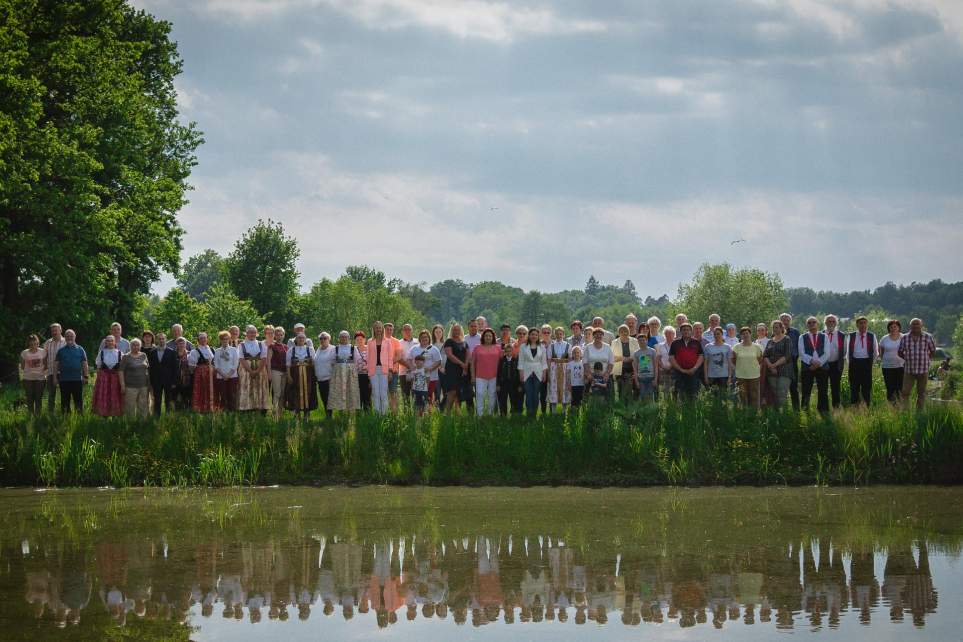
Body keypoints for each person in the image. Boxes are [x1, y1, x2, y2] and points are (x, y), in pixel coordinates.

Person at [898, 318, 936, 410]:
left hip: (923, 370)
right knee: (905, 392)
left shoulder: (928, 337)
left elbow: (933, 351)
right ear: (910, 326)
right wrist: (907, 359)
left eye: (917, 324)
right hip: (909, 370)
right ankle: (905, 412)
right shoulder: (905, 337)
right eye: (913, 324)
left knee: (921, 393)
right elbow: (900, 352)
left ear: (921, 325)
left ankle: (919, 413)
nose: (915, 326)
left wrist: (926, 359)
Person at [798, 317, 830, 413]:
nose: (811, 324)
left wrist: (818, 363)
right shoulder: (802, 337)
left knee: (823, 389)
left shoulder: (824, 336)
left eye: (813, 322)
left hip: (822, 366)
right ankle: (805, 410)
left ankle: (823, 410)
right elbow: (801, 353)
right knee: (806, 389)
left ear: (817, 324)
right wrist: (811, 361)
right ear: (807, 325)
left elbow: (827, 352)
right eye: (809, 322)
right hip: (808, 367)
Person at [54, 329, 88, 413]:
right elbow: (56, 365)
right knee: (65, 401)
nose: (69, 338)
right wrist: (55, 378)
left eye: (71, 336)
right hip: (64, 379)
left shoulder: (80, 349)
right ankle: (65, 418)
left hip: (77, 379)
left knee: (78, 401)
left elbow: (84, 364)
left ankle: (79, 417)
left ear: (75, 337)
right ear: (65, 338)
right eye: (67, 336)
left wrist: (85, 376)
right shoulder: (61, 351)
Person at [238, 325, 270, 413]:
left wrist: (257, 371)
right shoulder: (241, 345)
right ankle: (246, 407)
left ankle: (261, 407)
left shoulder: (261, 344)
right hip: (246, 369)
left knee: (260, 386)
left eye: (254, 332)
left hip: (260, 368)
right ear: (246, 333)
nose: (252, 334)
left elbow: (264, 358)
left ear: (256, 333)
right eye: (250, 332)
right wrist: (250, 371)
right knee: (246, 386)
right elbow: (241, 359)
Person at [407, 330, 442, 410]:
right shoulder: (414, 348)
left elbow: (439, 361)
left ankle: (428, 413)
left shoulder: (434, 349)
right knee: (417, 397)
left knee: (428, 396)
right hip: (417, 378)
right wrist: (412, 367)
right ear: (419, 338)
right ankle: (418, 414)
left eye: (426, 337)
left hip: (431, 377)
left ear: (429, 338)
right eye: (422, 337)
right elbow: (408, 359)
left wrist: (430, 368)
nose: (424, 338)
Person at [328, 331, 362, 413]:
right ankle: (341, 411)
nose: (344, 338)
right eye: (342, 337)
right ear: (339, 338)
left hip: (351, 373)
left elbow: (358, 360)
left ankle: (351, 412)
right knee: (339, 391)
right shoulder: (335, 348)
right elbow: (332, 360)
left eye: (345, 337)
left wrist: (353, 370)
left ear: (348, 338)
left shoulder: (353, 348)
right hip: (338, 373)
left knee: (351, 391)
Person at [847, 316, 878, 406]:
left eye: (864, 323)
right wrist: (850, 363)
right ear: (857, 325)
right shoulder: (851, 335)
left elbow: (875, 351)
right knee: (854, 387)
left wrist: (871, 363)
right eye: (861, 323)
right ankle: (854, 406)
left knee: (867, 387)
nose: (863, 325)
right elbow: (848, 352)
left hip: (866, 363)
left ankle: (866, 407)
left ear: (867, 324)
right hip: (854, 363)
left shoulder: (871, 335)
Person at [669, 323, 704, 400]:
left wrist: (694, 368)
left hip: (693, 372)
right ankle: (679, 407)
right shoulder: (675, 343)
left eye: (688, 330)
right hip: (679, 372)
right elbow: (671, 358)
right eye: (684, 330)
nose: (686, 331)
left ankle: (692, 407)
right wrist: (681, 370)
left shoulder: (696, 342)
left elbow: (701, 357)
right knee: (679, 393)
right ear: (681, 331)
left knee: (693, 393)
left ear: (691, 331)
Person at [470, 328, 501, 416]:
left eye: (490, 336)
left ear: (493, 337)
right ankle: (479, 415)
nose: (488, 337)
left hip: (494, 376)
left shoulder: (498, 348)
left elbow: (502, 362)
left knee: (492, 395)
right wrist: (472, 376)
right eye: (486, 336)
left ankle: (490, 414)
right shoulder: (477, 348)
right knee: (479, 394)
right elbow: (472, 363)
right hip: (480, 376)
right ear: (483, 337)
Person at [366, 322, 395, 414]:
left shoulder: (387, 341)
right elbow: (368, 358)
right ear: (373, 329)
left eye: (379, 328)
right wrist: (368, 373)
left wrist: (390, 370)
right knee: (375, 392)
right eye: (376, 328)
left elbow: (390, 357)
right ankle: (377, 414)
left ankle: (384, 414)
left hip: (384, 370)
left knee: (383, 393)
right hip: (373, 370)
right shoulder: (370, 341)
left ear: (382, 329)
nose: (378, 329)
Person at [763, 319, 793, 407]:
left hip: (784, 370)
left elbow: (787, 356)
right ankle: (776, 413)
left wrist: (774, 365)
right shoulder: (770, 341)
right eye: (773, 327)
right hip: (771, 372)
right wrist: (770, 366)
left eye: (776, 327)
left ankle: (783, 413)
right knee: (774, 393)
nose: (774, 329)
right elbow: (765, 356)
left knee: (781, 393)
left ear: (781, 328)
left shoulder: (787, 339)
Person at [518, 327, 547, 416]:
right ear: (529, 335)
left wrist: (544, 374)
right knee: (528, 393)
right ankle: (529, 413)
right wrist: (521, 373)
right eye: (532, 334)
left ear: (538, 336)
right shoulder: (523, 346)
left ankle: (534, 413)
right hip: (526, 372)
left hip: (538, 373)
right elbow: (521, 361)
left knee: (536, 394)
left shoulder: (542, 347)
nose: (534, 336)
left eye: (536, 335)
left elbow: (544, 362)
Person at [286, 333, 317, 416]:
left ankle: (307, 412)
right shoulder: (291, 350)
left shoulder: (310, 349)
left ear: (305, 340)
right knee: (295, 392)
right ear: (296, 340)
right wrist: (289, 376)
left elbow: (314, 363)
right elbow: (288, 365)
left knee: (308, 391)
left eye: (303, 338)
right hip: (295, 375)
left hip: (308, 375)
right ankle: (297, 413)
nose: (301, 339)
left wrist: (315, 375)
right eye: (299, 338)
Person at [92, 334, 124, 417]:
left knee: (115, 396)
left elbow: (122, 368)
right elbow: (98, 367)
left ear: (115, 342)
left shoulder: (120, 353)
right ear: (105, 342)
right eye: (108, 341)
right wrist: (98, 381)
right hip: (104, 379)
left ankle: (115, 415)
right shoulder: (102, 352)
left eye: (112, 341)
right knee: (104, 396)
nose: (110, 342)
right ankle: (104, 415)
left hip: (115, 379)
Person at [119, 338, 151, 418]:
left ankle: (142, 422)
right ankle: (131, 423)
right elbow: (120, 371)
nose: (136, 347)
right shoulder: (126, 357)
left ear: (140, 346)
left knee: (143, 405)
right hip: (130, 386)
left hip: (144, 385)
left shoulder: (144, 355)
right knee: (130, 406)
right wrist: (122, 385)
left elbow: (147, 369)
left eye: (138, 345)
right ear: (130, 346)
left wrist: (149, 383)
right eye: (134, 345)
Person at [732, 327, 763, 409]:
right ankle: (744, 414)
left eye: (747, 333)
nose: (745, 335)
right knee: (742, 396)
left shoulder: (757, 347)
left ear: (750, 334)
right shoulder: (736, 347)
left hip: (754, 375)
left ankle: (754, 414)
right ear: (741, 336)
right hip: (741, 375)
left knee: (754, 396)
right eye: (743, 334)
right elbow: (734, 360)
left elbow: (760, 360)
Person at [147, 332, 176, 416]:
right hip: (156, 380)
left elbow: (175, 368)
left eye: (163, 339)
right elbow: (150, 368)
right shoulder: (152, 352)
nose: (161, 340)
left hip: (168, 380)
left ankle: (168, 415)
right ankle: (157, 416)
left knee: (168, 399)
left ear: (166, 340)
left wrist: (174, 381)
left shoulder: (172, 352)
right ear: (156, 340)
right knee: (157, 399)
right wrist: (151, 381)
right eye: (159, 339)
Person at [442, 324, 470, 412]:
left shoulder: (464, 342)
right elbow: (450, 355)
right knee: (452, 391)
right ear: (451, 331)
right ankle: (447, 413)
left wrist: (465, 367)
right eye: (454, 330)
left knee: (458, 392)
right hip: (452, 370)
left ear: (461, 331)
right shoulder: (449, 341)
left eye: (458, 330)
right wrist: (462, 364)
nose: (456, 331)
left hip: (462, 370)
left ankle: (458, 414)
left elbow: (468, 355)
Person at [497, 326, 523, 415]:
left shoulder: (515, 361)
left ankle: (513, 414)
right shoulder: (501, 361)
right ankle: (503, 414)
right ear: (504, 352)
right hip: (503, 383)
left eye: (510, 351)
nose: (509, 353)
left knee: (513, 399)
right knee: (503, 399)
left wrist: (520, 384)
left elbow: (518, 373)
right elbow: (498, 373)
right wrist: (498, 384)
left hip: (513, 383)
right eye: (507, 351)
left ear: (513, 351)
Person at [583, 327, 615, 401]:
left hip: (605, 377)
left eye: (600, 334)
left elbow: (611, 362)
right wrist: (589, 374)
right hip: (591, 377)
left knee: (606, 399)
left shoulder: (607, 347)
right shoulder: (588, 347)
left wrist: (607, 374)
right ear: (593, 336)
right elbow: (585, 362)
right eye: (596, 334)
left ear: (603, 336)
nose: (598, 336)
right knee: (591, 399)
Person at [610, 324, 640, 404]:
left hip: (633, 369)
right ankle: (622, 406)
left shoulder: (635, 341)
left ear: (629, 332)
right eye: (622, 331)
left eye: (626, 331)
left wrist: (629, 358)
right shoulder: (614, 342)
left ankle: (634, 406)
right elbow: (612, 357)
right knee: (621, 389)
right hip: (620, 369)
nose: (624, 333)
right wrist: (623, 358)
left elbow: (638, 354)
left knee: (634, 388)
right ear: (618, 333)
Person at [188, 332, 216, 413]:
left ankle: (211, 407)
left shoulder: (212, 349)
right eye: (201, 338)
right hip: (200, 374)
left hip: (211, 373)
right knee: (201, 389)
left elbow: (215, 362)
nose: (203, 340)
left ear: (207, 339)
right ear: (198, 340)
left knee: (211, 389)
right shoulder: (194, 351)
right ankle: (201, 408)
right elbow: (191, 366)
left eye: (204, 338)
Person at [20, 334, 46, 415]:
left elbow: (46, 365)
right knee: (29, 398)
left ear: (38, 343)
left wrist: (40, 372)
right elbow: (22, 366)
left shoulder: (43, 352)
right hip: (27, 379)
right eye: (31, 344)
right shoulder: (24, 353)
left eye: (35, 343)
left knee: (38, 398)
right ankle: (30, 415)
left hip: (40, 379)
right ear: (28, 344)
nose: (33, 346)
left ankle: (38, 416)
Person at [212, 330, 239, 412]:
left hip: (232, 376)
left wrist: (228, 375)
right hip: (221, 376)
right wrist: (223, 375)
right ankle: (223, 411)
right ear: (220, 340)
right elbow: (216, 364)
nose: (225, 341)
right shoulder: (217, 351)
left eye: (227, 339)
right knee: (223, 394)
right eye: (223, 339)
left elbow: (236, 364)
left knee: (232, 394)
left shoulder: (234, 350)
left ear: (229, 339)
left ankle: (232, 411)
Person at [547, 327, 572, 412]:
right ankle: (553, 411)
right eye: (557, 334)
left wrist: (569, 371)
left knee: (565, 387)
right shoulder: (551, 345)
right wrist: (548, 371)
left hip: (565, 369)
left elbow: (570, 359)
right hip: (554, 369)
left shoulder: (568, 345)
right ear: (555, 335)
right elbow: (549, 359)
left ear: (563, 335)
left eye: (560, 334)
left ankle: (564, 411)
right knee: (553, 387)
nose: (559, 335)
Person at [822, 314, 845, 409]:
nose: (831, 323)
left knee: (835, 387)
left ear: (836, 323)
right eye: (829, 321)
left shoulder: (841, 335)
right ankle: (824, 408)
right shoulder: (821, 334)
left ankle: (836, 407)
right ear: (825, 323)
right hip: (823, 364)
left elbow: (844, 351)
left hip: (836, 364)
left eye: (833, 321)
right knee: (823, 387)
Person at [879, 320, 904, 403]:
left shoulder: (904, 337)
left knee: (900, 388)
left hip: (901, 366)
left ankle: (900, 405)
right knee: (890, 388)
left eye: (895, 327)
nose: (893, 328)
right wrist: (885, 360)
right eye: (891, 327)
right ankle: (891, 406)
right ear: (888, 328)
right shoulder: (884, 338)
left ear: (899, 327)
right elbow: (881, 353)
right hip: (887, 367)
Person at [779, 313, 801, 410]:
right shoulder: (775, 332)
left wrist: (794, 356)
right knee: (782, 388)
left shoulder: (795, 332)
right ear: (780, 321)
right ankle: (784, 410)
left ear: (790, 321)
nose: (785, 322)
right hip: (780, 364)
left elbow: (799, 347)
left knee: (793, 387)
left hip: (792, 363)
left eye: (787, 320)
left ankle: (796, 410)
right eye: (783, 320)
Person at [43, 323, 66, 413]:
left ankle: (64, 413)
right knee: (51, 395)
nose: (54, 332)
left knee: (64, 394)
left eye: (56, 330)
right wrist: (45, 370)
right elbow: (44, 357)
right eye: (52, 331)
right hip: (51, 372)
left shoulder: (66, 342)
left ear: (60, 330)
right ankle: (50, 414)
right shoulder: (47, 343)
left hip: (63, 372)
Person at [703, 327, 732, 398]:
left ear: (722, 335)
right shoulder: (708, 347)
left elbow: (729, 363)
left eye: (718, 334)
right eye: (715, 334)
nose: (716, 336)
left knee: (723, 397)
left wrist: (729, 377)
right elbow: (705, 363)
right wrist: (706, 377)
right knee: (712, 397)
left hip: (724, 376)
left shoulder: (727, 347)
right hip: (711, 376)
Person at [383, 323, 404, 411]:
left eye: (391, 329)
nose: (389, 331)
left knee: (393, 393)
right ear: (384, 330)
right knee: (382, 394)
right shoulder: (379, 340)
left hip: (393, 372)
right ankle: (383, 413)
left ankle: (394, 414)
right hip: (381, 372)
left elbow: (398, 357)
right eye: (387, 329)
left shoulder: (396, 341)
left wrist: (388, 366)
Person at [631, 338, 658, 403]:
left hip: (651, 377)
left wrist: (655, 379)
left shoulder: (653, 351)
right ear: (638, 342)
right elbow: (635, 368)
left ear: (647, 341)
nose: (642, 342)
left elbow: (656, 366)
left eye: (643, 340)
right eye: (640, 340)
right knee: (642, 396)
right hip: (641, 378)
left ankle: (651, 409)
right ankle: (643, 409)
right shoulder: (636, 353)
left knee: (650, 396)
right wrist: (636, 381)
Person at [269, 327, 288, 418]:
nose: (279, 336)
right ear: (274, 336)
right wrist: (269, 373)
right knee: (277, 393)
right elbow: (268, 360)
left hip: (285, 372)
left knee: (283, 393)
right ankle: (275, 413)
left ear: (283, 335)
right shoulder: (272, 346)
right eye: (277, 335)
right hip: (275, 371)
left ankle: (280, 413)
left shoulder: (286, 347)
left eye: (281, 335)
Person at [398, 324, 417, 406]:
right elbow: (398, 358)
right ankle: (407, 412)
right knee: (405, 395)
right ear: (402, 331)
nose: (407, 331)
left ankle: (416, 412)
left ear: (412, 331)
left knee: (416, 394)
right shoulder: (399, 343)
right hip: (403, 373)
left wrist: (414, 367)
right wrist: (409, 366)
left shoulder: (417, 341)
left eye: (409, 329)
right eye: (405, 329)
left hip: (416, 372)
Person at [171, 337, 193, 411]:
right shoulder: (172, 354)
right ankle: (177, 413)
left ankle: (186, 412)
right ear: (176, 345)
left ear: (186, 344)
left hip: (187, 380)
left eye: (183, 343)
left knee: (186, 397)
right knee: (176, 398)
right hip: (175, 380)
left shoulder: (190, 354)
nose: (181, 345)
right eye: (179, 343)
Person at [655, 326, 675, 399]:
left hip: (674, 369)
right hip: (663, 370)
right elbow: (658, 358)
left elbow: (678, 358)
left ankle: (675, 403)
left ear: (674, 334)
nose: (669, 335)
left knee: (674, 388)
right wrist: (662, 366)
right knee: (665, 388)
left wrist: (672, 365)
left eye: (671, 333)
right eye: (667, 333)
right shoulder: (660, 345)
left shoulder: (676, 345)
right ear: (664, 335)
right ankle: (666, 403)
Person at [354, 331, 371, 411]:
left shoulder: (369, 349)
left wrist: (371, 377)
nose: (359, 341)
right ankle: (359, 415)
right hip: (356, 376)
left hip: (367, 376)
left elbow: (372, 363)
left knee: (367, 396)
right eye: (357, 340)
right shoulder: (353, 350)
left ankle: (368, 414)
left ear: (365, 339)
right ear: (355, 341)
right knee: (358, 397)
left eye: (361, 339)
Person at [431, 324, 448, 406]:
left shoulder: (446, 344)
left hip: (445, 371)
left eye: (440, 332)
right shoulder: (431, 346)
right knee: (437, 393)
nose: (438, 333)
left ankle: (443, 409)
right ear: (433, 333)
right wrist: (439, 367)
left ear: (442, 333)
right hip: (435, 372)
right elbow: (430, 359)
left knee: (446, 392)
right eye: (436, 332)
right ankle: (437, 410)